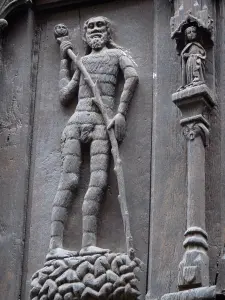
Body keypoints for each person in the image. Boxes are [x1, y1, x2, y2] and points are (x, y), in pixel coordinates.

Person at [50, 16, 139, 255]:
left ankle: (88, 243)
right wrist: (64, 61)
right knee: (68, 181)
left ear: (109, 33)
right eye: (90, 27)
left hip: (102, 123)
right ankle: (54, 246)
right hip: (77, 121)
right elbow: (64, 95)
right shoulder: (82, 62)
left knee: (98, 181)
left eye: (100, 26)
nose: (95, 30)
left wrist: (120, 114)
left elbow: (132, 77)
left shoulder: (117, 56)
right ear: (85, 35)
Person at [180, 25, 206, 90]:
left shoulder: (198, 45)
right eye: (189, 33)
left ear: (197, 34)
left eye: (193, 32)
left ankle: (197, 78)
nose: (191, 34)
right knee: (190, 71)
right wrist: (184, 56)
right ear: (186, 36)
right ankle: (189, 82)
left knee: (195, 60)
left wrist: (193, 56)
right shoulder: (188, 46)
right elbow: (182, 55)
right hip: (189, 63)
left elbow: (203, 55)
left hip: (196, 62)